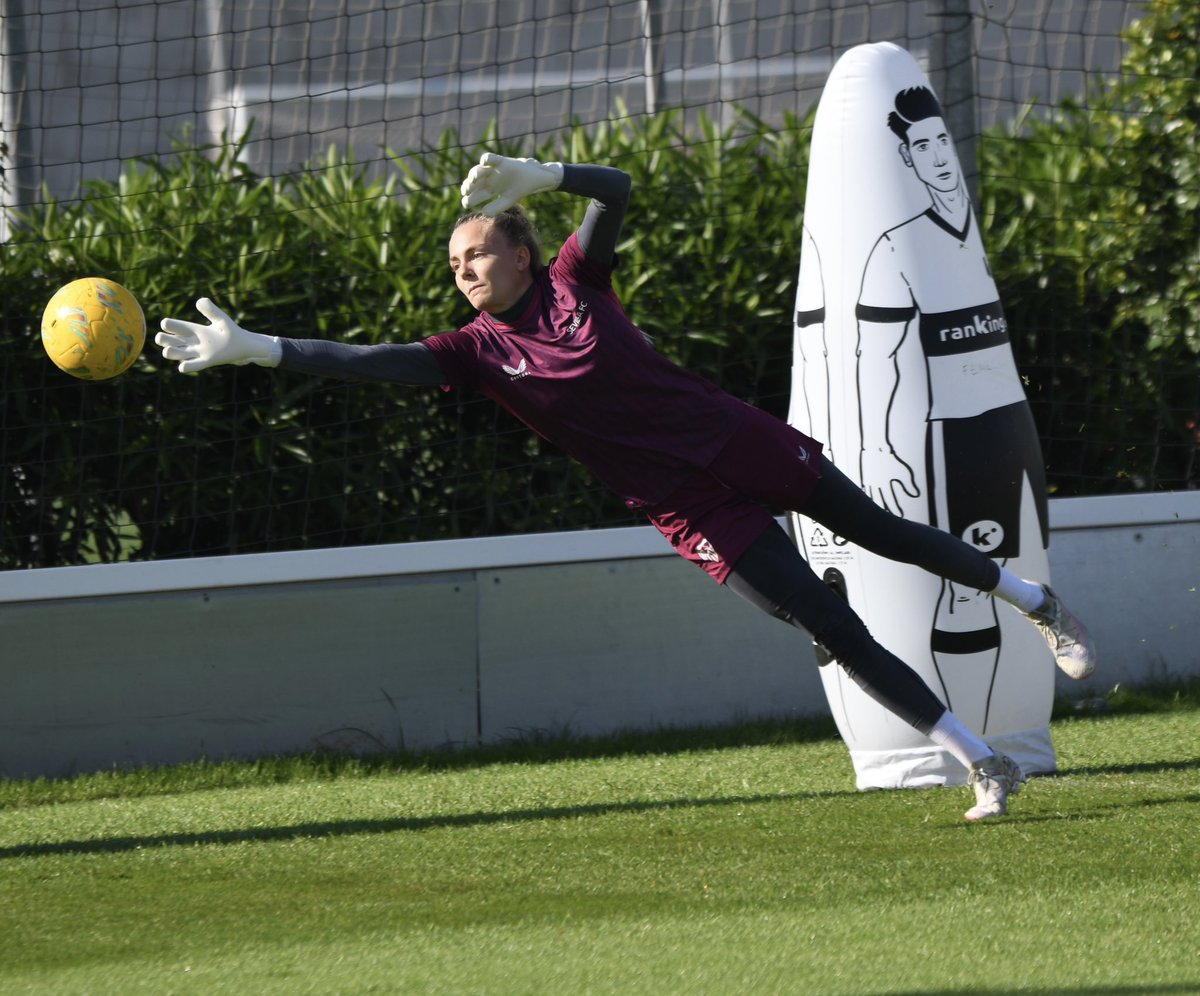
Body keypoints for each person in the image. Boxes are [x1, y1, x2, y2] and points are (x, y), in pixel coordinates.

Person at [156, 153, 1096, 821]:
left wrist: (539, 175)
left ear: (521, 252)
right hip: (691, 508)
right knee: (828, 621)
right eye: (453, 265)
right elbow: (370, 360)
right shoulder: (474, 354)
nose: (464, 270)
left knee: (883, 533)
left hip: (736, 439)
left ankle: (1033, 599)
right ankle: (983, 763)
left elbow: (619, 189)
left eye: (476, 253)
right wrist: (259, 350)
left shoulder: (575, 279)